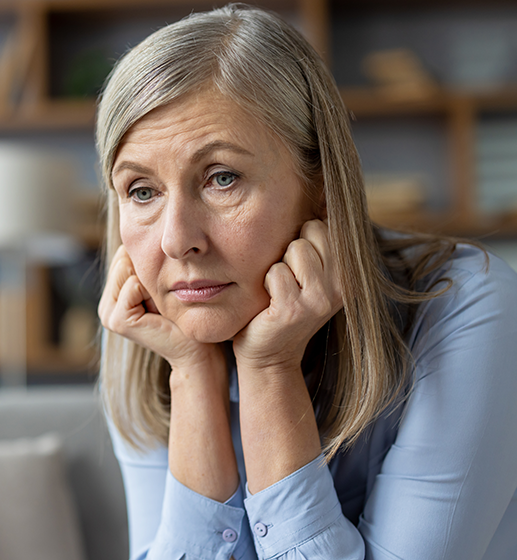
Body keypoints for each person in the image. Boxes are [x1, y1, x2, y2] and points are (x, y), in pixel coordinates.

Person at [95, 4, 517, 559]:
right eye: (142, 191)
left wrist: (270, 369)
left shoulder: (468, 304)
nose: (176, 241)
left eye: (222, 178)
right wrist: (193, 373)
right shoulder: (151, 330)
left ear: (319, 185)